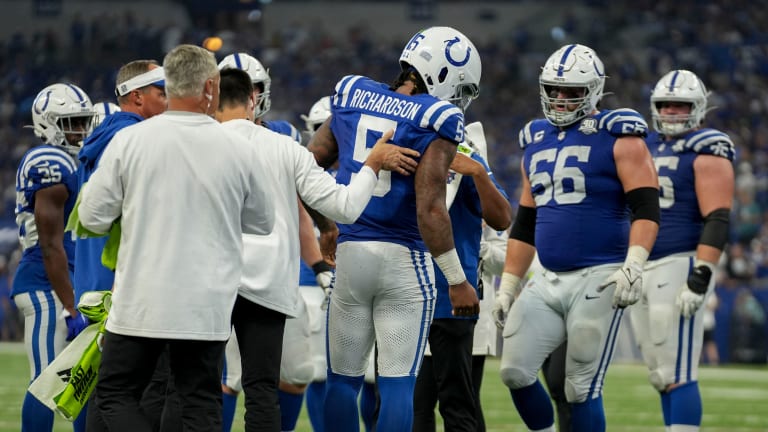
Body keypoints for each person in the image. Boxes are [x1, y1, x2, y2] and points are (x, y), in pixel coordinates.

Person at [77, 44, 276, 431]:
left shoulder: (131, 141)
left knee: (116, 394)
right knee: (199, 404)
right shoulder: (239, 147)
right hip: (205, 306)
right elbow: (263, 223)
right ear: (210, 88)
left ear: (169, 86)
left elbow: (91, 217)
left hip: (140, 300)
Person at [214, 67, 419, 432]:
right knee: (262, 389)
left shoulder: (195, 143)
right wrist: (371, 163)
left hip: (209, 282)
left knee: (199, 386)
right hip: (268, 285)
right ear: (251, 100)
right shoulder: (284, 146)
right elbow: (344, 206)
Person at [307, 26, 483, 432]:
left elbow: (307, 167)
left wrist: (326, 225)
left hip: (352, 256)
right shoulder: (438, 117)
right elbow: (431, 210)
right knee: (398, 384)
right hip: (405, 261)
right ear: (443, 74)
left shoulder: (353, 94)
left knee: (342, 380)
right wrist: (457, 280)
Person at [493, 43, 660, 432]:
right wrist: (509, 286)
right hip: (547, 278)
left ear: (595, 90)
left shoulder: (620, 134)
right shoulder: (534, 139)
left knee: (580, 387)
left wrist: (634, 265)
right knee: (515, 372)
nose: (561, 99)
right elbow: (525, 223)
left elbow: (647, 209)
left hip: (599, 275)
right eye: (554, 90)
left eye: (572, 91)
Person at [629, 69, 734, 432]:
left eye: (681, 105)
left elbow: (718, 215)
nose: (673, 111)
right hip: (643, 265)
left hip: (680, 261)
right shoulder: (646, 145)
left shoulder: (707, 144)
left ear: (699, 107)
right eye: (666, 105)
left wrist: (701, 273)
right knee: (660, 371)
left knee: (679, 369)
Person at [73, 60, 176, 432]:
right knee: (143, 388)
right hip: (123, 285)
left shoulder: (105, 138)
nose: (170, 102)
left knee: (108, 390)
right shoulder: (131, 140)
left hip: (95, 280)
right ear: (137, 97)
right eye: (162, 93)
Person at [413, 122, 512, 432]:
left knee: (460, 402)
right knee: (414, 403)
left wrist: (479, 173)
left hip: (458, 301)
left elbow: (502, 234)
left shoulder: (475, 174)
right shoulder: (412, 159)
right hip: (412, 293)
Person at [11, 82, 95, 431]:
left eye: (82, 121)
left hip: (67, 281)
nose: (79, 131)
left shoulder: (74, 160)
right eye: (70, 123)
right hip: (47, 283)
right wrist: (70, 305)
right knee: (47, 380)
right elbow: (50, 245)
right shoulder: (49, 160)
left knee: (84, 385)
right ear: (47, 123)